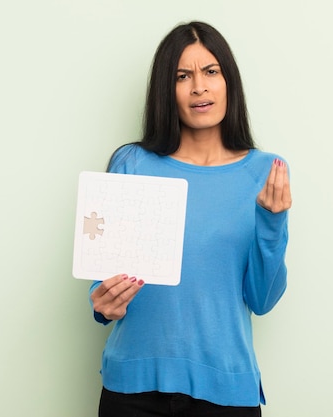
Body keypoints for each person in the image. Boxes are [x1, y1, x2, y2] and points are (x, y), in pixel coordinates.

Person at [89, 21, 291, 417]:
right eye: (183, 76)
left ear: (228, 81)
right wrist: (103, 304)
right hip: (132, 390)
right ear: (168, 90)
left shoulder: (266, 172)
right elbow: (105, 281)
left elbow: (263, 300)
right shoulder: (131, 163)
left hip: (226, 391)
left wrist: (272, 222)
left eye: (211, 72)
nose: (199, 87)